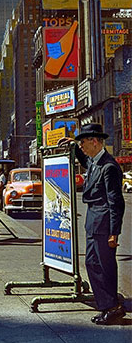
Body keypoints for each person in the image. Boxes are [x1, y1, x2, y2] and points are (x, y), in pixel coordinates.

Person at [60, 124, 126, 325]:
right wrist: (74, 146)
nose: (82, 146)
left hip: (104, 226)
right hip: (93, 223)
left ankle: (112, 307)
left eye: (83, 142)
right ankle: (106, 305)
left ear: (94, 141)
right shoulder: (96, 163)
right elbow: (86, 161)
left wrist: (114, 232)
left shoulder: (109, 167)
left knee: (105, 267)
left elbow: (117, 203)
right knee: (92, 263)